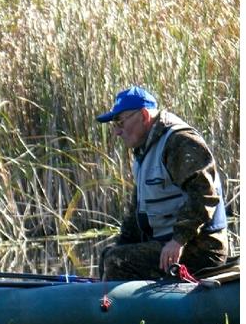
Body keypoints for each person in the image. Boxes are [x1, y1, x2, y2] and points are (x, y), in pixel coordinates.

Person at [96, 86, 229, 281]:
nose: (117, 131)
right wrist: (121, 244)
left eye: (120, 122)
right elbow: (138, 212)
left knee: (117, 261)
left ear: (143, 115)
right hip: (171, 242)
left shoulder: (179, 142)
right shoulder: (145, 149)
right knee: (109, 255)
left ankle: (127, 308)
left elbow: (204, 195)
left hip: (202, 247)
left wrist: (178, 240)